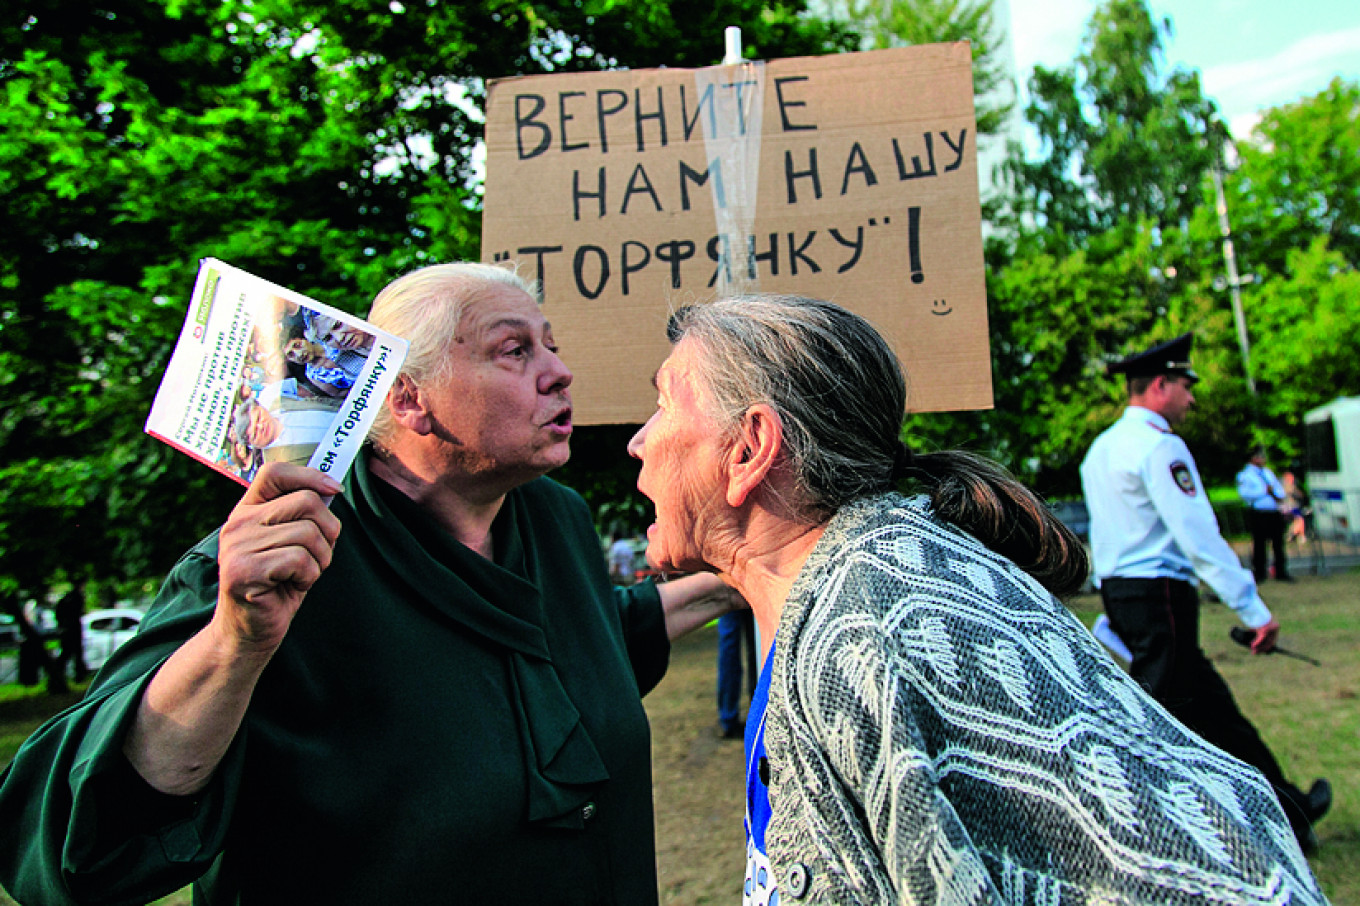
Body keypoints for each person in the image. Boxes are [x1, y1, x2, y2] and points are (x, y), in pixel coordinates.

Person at [0, 262, 739, 905]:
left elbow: (587, 641)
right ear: (409, 400)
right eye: (514, 350)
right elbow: (71, 849)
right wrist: (234, 643)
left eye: (550, 343)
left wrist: (749, 568)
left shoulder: (556, 520)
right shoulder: (269, 568)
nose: (558, 371)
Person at [628, 296, 1326, 904]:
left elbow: (1223, 869)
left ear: (749, 447)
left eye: (661, 405)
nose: (637, 442)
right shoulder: (833, 599)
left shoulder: (883, 622)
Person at [1081, 332, 1330, 854]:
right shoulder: (1160, 446)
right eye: (1185, 385)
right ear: (1160, 384)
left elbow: (1107, 535)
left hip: (1125, 594)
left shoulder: (1101, 450)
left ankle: (1288, 811)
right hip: (1160, 594)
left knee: (1210, 708)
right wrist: (1252, 608)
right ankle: (1139, 832)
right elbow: (1199, 537)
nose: (1192, 398)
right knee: (1154, 718)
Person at [1237, 448, 1293, 581]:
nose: (1262, 459)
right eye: (1259, 457)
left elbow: (1278, 489)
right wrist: (1264, 491)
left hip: (1273, 511)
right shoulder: (1245, 475)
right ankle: (1259, 572)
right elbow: (1245, 494)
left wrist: (1278, 495)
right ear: (1252, 458)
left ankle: (1281, 571)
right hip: (1258, 512)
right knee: (1260, 543)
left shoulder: (1267, 473)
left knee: (1278, 543)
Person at [715, 608, 756, 739]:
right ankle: (758, 714)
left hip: (727, 588)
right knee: (756, 644)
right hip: (757, 589)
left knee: (729, 644)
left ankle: (728, 717)